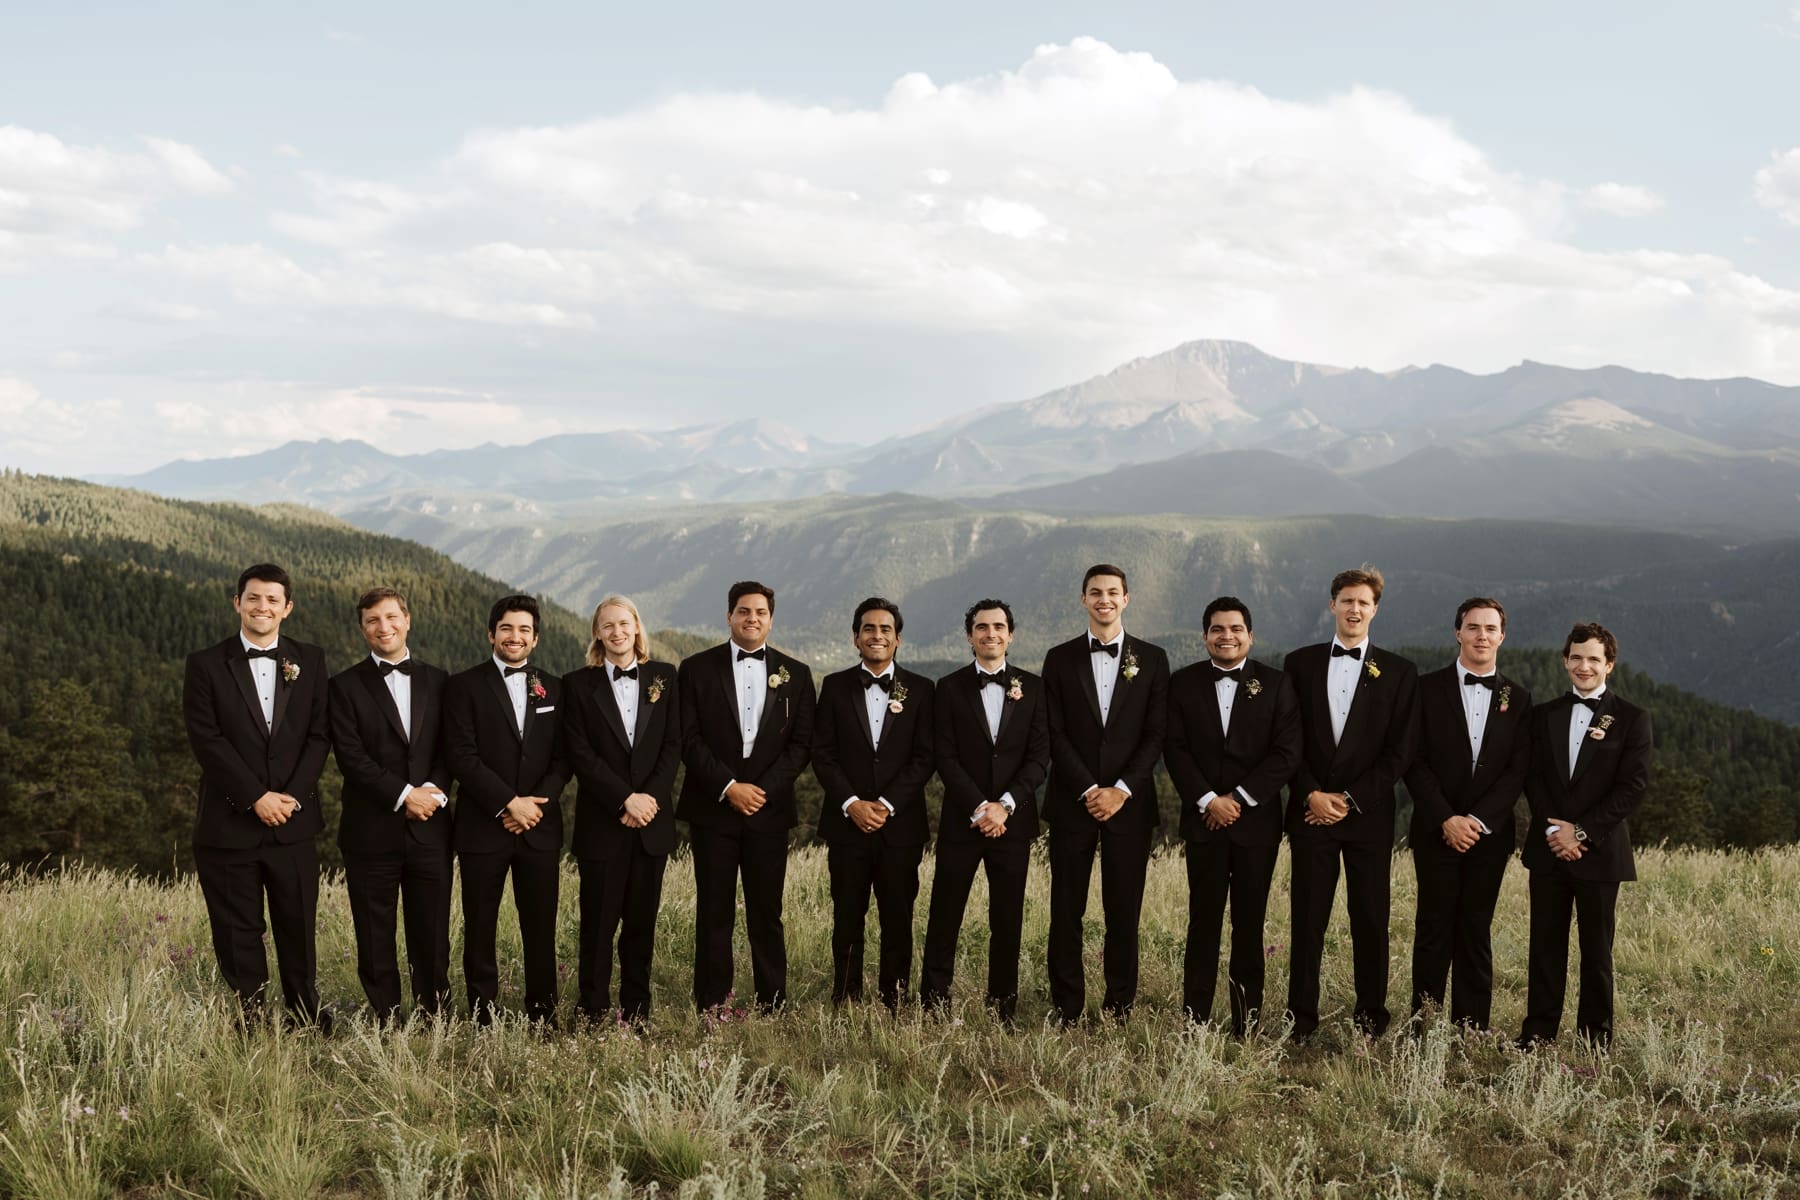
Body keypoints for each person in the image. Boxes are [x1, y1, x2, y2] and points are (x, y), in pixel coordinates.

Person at [181, 563, 331, 1028]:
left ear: (287, 608)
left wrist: (288, 797)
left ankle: (304, 1014)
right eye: (253, 598)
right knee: (237, 930)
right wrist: (255, 798)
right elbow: (207, 741)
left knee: (297, 924)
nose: (261, 607)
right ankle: (252, 1019)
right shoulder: (205, 664)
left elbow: (319, 735)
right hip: (228, 824)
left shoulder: (311, 659)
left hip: (293, 821)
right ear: (237, 603)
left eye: (272, 599)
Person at [1283, 565, 1418, 1039]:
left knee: (1370, 922)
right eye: (1346, 600)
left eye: (1363, 602)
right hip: (1310, 813)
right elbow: (1288, 740)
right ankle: (1299, 1021)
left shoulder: (1400, 672)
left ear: (1375, 609)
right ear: (1332, 606)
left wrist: (1351, 798)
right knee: (1308, 922)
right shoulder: (1298, 664)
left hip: (1368, 818)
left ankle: (1370, 1021)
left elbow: (1400, 752)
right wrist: (1311, 793)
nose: (1354, 609)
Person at [1163, 596, 1301, 1035]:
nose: (1227, 636)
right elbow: (1175, 749)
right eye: (1218, 629)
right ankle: (1195, 1020)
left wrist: (1237, 799)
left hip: (1255, 826)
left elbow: (1286, 753)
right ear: (1205, 636)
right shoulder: (1181, 684)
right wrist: (1208, 799)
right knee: (1202, 922)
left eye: (1235, 629)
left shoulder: (1277, 684)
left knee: (1249, 925)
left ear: (1250, 635)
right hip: (1204, 823)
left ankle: (1247, 1022)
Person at [677, 581, 815, 1013]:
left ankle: (772, 1001)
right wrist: (728, 787)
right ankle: (712, 1003)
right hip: (713, 808)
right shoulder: (697, 669)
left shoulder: (797, 674)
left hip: (769, 812)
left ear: (771, 619)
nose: (751, 618)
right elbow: (688, 737)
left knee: (766, 913)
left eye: (759, 612)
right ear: (729, 616)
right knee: (714, 910)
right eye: (743, 611)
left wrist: (762, 790)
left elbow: (801, 746)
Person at [1041, 564, 1170, 1023]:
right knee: (1066, 910)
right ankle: (1067, 1006)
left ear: (1127, 599)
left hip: (1129, 806)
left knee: (1123, 911)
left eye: (1113, 592)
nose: (1104, 600)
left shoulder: (1153, 659)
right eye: (1095, 592)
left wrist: (1119, 790)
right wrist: (1091, 788)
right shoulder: (1059, 658)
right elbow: (1053, 733)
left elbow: (1156, 734)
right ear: (1083, 600)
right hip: (1073, 802)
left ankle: (1119, 1007)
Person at [1518, 621, 1652, 1051]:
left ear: (1609, 665)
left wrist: (1583, 832)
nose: (1584, 665)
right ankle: (1538, 1033)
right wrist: (1557, 829)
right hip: (1550, 848)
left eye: (1594, 658)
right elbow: (1532, 777)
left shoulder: (1632, 718)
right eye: (1576, 657)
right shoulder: (1543, 715)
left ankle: (1595, 1039)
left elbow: (1631, 787)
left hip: (1599, 852)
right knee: (1545, 948)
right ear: (1565, 660)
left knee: (1597, 953)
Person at [1403, 596, 1533, 1031]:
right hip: (1435, 828)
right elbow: (1413, 760)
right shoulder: (1424, 688)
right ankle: (1424, 1022)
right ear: (1457, 632)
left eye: (1490, 628)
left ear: (1502, 636)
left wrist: (1476, 821)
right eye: (1473, 627)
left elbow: (1517, 770)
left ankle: (1470, 1027)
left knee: (1476, 928)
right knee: (1433, 925)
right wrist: (1446, 817)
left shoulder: (1519, 697)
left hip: (1489, 834)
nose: (1482, 636)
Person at [328, 586, 453, 1023]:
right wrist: (404, 795)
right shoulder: (342, 687)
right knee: (374, 932)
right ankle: (387, 1019)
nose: (384, 627)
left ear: (407, 619)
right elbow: (351, 757)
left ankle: (435, 1016)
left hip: (431, 827)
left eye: (390, 617)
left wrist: (431, 794)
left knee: (433, 931)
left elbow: (450, 748)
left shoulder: (441, 681)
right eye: (372, 621)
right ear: (362, 629)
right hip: (371, 829)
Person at [921, 599, 1049, 1024]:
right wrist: (980, 806)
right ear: (969, 635)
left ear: (1011, 634)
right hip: (963, 820)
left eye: (998, 626)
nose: (990, 633)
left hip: (1013, 823)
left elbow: (1038, 757)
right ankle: (934, 1007)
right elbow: (945, 755)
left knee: (1007, 920)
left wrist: (1005, 806)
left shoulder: (1033, 687)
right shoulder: (949, 687)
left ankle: (1002, 1011)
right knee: (945, 916)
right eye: (981, 627)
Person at [444, 594, 569, 1025]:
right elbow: (461, 756)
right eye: (506, 629)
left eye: (523, 630)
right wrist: (507, 803)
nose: (514, 637)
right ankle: (482, 1014)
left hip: (539, 826)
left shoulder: (554, 687)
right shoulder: (463, 685)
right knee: (480, 926)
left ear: (534, 639)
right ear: (491, 633)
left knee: (540, 927)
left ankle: (543, 1014)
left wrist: (534, 806)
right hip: (483, 826)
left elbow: (563, 759)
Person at [561, 595, 681, 1025]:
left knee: (641, 926)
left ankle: (636, 1010)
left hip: (651, 823)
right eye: (607, 625)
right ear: (597, 632)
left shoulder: (664, 677)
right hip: (603, 823)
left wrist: (648, 798)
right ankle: (591, 1009)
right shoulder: (576, 684)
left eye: (624, 623)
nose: (617, 632)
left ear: (636, 627)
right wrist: (623, 799)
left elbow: (672, 745)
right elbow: (579, 752)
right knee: (597, 925)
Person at [812, 597, 936, 1008]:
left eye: (885, 629)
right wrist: (851, 803)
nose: (876, 636)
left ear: (898, 639)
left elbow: (925, 757)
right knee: (847, 915)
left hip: (900, 826)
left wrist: (884, 804)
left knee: (898, 917)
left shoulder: (921, 689)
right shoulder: (833, 685)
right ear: (855, 637)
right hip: (847, 824)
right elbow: (823, 753)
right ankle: (845, 995)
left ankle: (895, 997)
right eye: (868, 628)